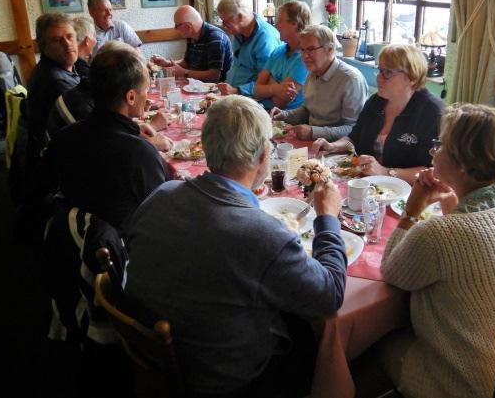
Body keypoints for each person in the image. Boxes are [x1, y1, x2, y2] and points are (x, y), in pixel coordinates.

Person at [125, 95, 348, 397]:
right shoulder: (262, 234)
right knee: (310, 333)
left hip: (155, 358)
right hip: (225, 379)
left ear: (205, 146)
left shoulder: (162, 195)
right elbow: (330, 295)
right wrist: (328, 218)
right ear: (262, 155)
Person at [377, 104, 495, 398]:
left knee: (376, 344)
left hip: (483, 385)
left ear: (464, 164)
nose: (433, 152)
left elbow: (392, 271)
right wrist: (450, 200)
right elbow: (476, 241)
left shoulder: (438, 234)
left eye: (440, 145)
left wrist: (412, 210)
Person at [38, 43, 170, 233]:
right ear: (131, 97)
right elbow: (161, 217)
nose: (148, 96)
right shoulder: (139, 152)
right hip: (125, 247)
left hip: (75, 237)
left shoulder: (63, 137)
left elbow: (41, 190)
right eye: (146, 89)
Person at [312, 44, 444, 182]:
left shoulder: (433, 113)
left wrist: (386, 172)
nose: (379, 78)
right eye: (379, 70)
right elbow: (353, 137)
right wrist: (333, 146)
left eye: (388, 72)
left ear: (413, 78)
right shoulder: (377, 101)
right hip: (367, 185)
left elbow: (434, 172)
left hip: (406, 193)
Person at [270, 25, 367, 141]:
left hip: (337, 149)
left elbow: (354, 129)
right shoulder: (312, 72)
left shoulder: (351, 79)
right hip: (313, 143)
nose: (305, 56)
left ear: (330, 49)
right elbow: (308, 110)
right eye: (302, 50)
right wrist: (284, 115)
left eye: (311, 49)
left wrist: (313, 132)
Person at [25, 12, 81, 168]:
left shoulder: (62, 68)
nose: (67, 44)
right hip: (61, 164)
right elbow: (95, 129)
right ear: (43, 46)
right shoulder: (55, 81)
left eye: (70, 36)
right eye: (57, 40)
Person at [215, 0, 281, 97]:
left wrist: (236, 90)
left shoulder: (266, 38)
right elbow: (237, 66)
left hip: (252, 99)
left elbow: (266, 82)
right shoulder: (239, 31)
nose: (224, 26)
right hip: (233, 93)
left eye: (226, 22)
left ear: (240, 17)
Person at [253, 0, 311, 110]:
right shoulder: (278, 51)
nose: (276, 25)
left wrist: (269, 80)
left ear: (295, 23)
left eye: (280, 21)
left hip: (287, 119)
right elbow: (256, 90)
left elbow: (279, 102)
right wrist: (277, 88)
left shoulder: (305, 58)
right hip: (262, 110)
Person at [151, 5, 233, 83]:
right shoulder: (191, 35)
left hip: (215, 90)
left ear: (188, 26)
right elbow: (186, 63)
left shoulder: (215, 38)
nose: (175, 28)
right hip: (196, 85)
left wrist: (184, 73)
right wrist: (167, 63)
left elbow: (214, 76)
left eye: (177, 25)